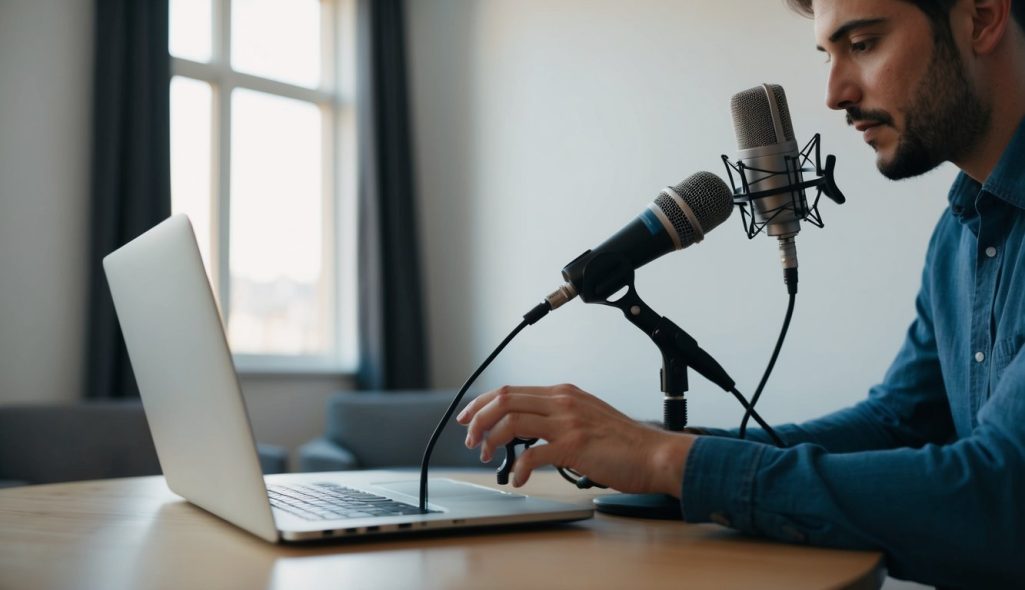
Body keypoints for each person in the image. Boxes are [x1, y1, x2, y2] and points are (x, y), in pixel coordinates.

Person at [456, 0, 1025, 586]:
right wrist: (653, 448)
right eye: (828, 54)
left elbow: (1002, 499)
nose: (833, 93)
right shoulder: (963, 229)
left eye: (863, 44)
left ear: (981, 17)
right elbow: (899, 424)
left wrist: (666, 460)